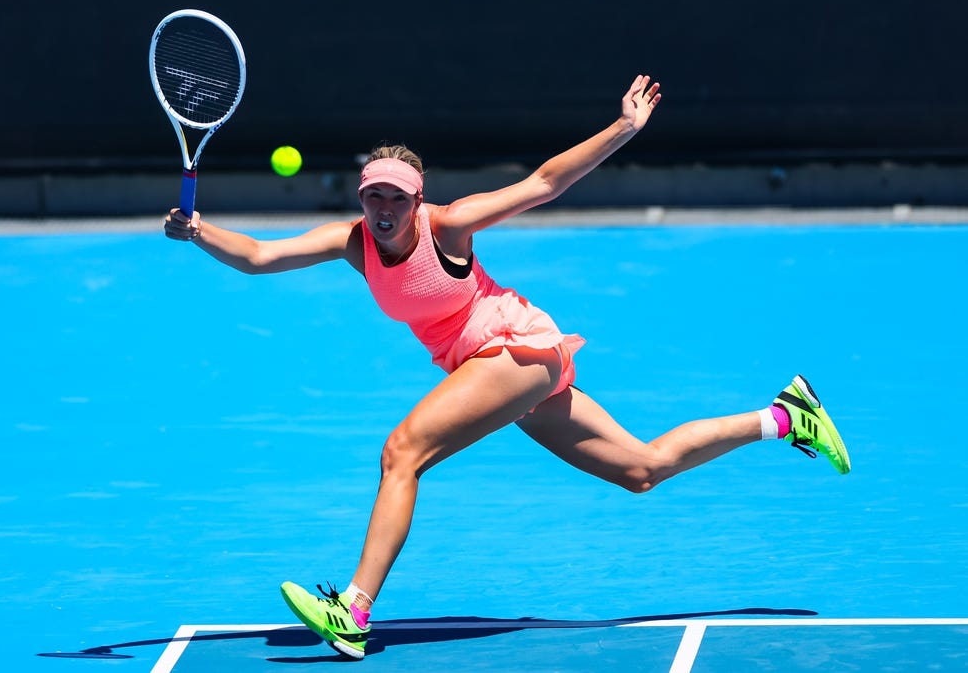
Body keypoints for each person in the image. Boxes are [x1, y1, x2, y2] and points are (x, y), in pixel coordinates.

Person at [164, 75, 851, 660]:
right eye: (372, 195)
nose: (381, 209)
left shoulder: (450, 224)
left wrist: (621, 126)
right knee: (641, 470)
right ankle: (783, 416)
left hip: (514, 350)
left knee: (402, 451)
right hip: (503, 370)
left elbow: (545, 181)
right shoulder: (352, 242)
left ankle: (354, 611)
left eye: (395, 198)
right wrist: (198, 232)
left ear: (417, 197)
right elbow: (258, 257)